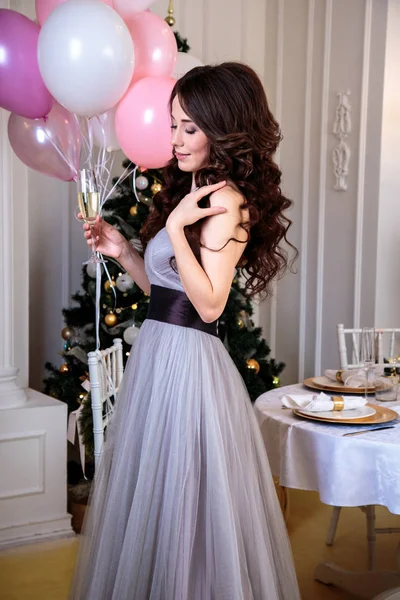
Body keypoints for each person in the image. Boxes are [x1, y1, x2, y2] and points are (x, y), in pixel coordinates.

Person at [69, 62, 300, 600]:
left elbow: (210, 304)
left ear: (223, 129)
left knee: (188, 498)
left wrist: (174, 227)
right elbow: (168, 295)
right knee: (157, 495)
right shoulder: (196, 189)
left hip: (191, 366)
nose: (174, 139)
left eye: (188, 127)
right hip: (160, 350)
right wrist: (122, 249)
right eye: (173, 124)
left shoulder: (227, 203)